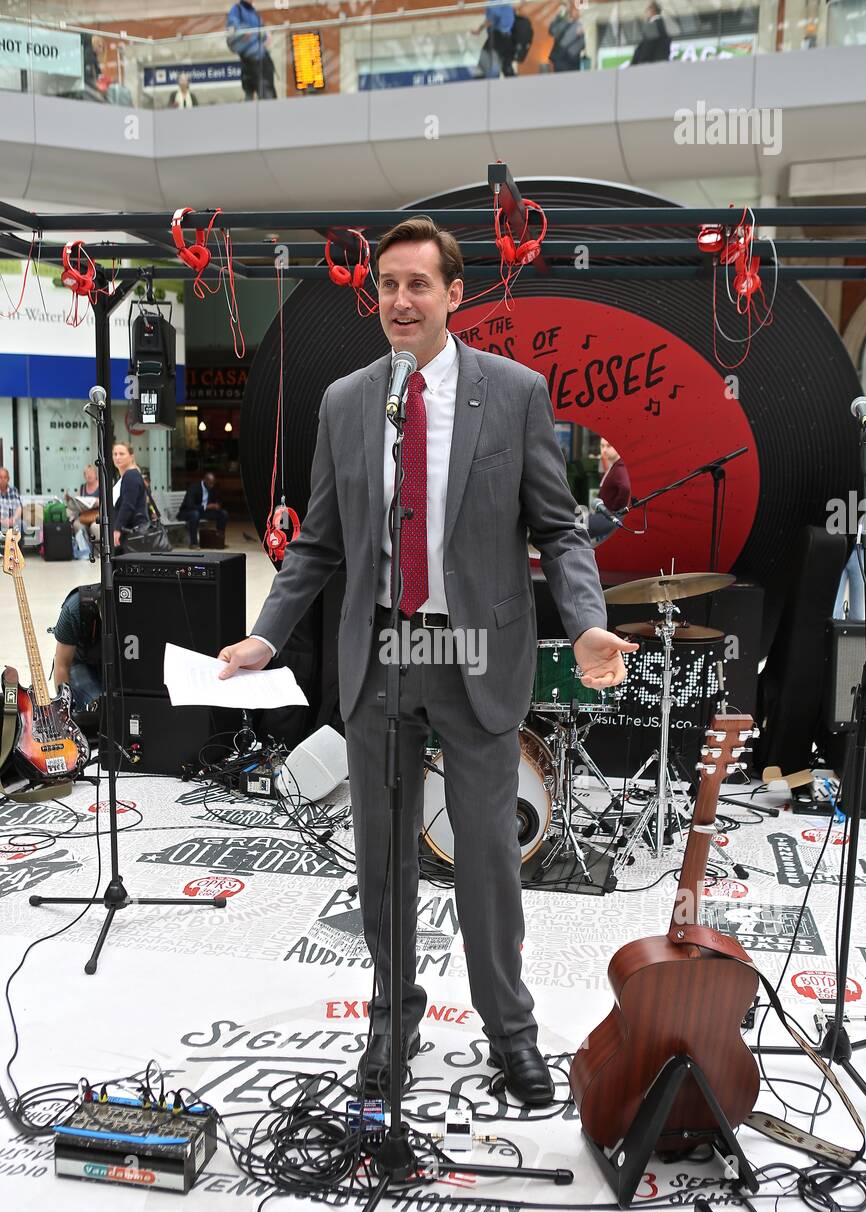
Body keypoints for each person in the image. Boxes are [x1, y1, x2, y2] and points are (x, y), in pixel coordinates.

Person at [217, 216, 637, 1106]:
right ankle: (392, 1016)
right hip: (379, 652)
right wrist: (266, 632)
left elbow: (559, 529)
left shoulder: (516, 393)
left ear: (455, 294)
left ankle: (510, 1031)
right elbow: (320, 544)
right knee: (382, 859)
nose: (400, 300)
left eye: (418, 284)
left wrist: (588, 620)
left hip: (472, 653)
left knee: (487, 854)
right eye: (388, 286)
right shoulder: (345, 401)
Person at [52, 584, 103, 714]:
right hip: (83, 663)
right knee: (100, 709)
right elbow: (61, 664)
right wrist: (64, 715)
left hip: (123, 665)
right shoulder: (75, 607)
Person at [227, 1, 277, 100]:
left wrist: (266, 36)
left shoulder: (254, 12)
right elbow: (234, 29)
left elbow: (262, 32)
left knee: (267, 92)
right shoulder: (237, 9)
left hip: (262, 59)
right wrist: (244, 32)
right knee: (252, 93)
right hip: (250, 61)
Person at [111, 442, 148, 552]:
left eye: (122, 454)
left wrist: (117, 529)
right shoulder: (126, 476)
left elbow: (128, 505)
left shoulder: (130, 475)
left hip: (131, 532)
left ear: (131, 457)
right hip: (129, 531)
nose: (117, 457)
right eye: (115, 454)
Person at [179, 471, 229, 547]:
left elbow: (217, 499)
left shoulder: (211, 488)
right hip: (188, 512)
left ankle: (219, 540)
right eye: (210, 483)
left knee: (223, 513)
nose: (211, 485)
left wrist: (217, 505)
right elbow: (189, 505)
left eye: (213, 483)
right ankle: (194, 543)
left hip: (202, 512)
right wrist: (206, 507)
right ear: (205, 480)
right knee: (195, 514)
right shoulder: (194, 487)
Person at [473, 4, 517, 77]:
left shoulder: (494, 3)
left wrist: (479, 30)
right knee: (506, 67)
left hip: (497, 37)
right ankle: (515, 86)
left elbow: (490, 20)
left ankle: (479, 84)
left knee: (483, 65)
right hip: (508, 38)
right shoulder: (508, 4)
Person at [548, 1, 585, 71]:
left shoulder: (581, 24)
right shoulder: (563, 21)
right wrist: (560, 14)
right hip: (561, 59)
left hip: (573, 60)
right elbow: (552, 31)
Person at [0, 467, 22, 534]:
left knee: (22, 525)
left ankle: (16, 544)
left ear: (8, 479)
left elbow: (19, 508)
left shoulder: (14, 490)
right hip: (0, 521)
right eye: (0, 477)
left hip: (13, 521)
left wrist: (14, 519)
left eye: (5, 477)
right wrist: (2, 521)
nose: (3, 479)